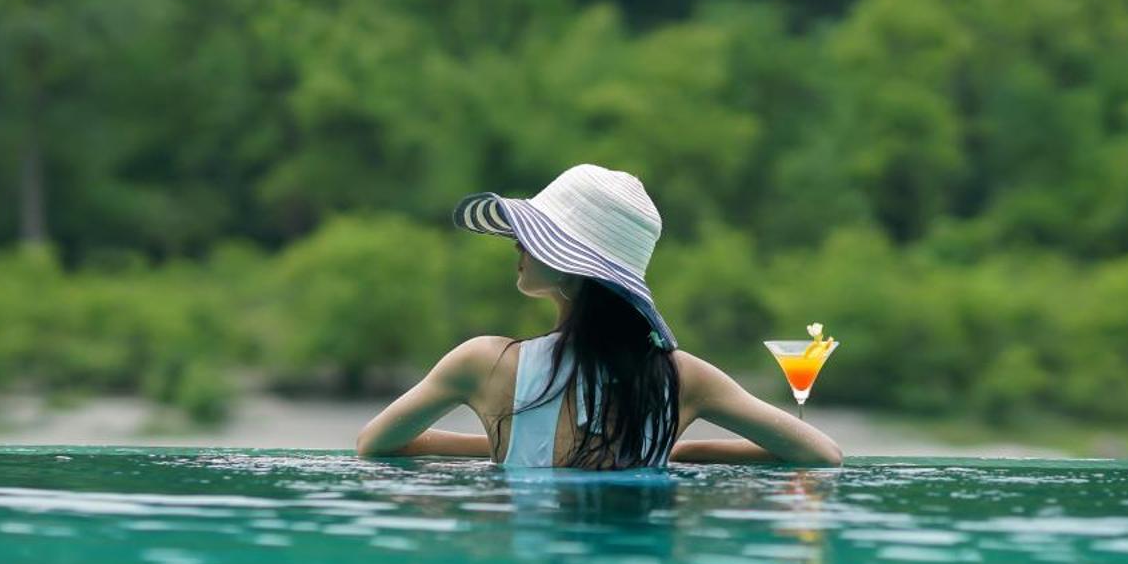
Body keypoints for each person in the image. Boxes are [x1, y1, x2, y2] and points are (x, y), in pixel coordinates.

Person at [356, 164, 843, 469]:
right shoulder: (680, 377)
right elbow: (822, 455)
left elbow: (376, 445)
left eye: (535, 235)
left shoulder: (483, 363)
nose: (519, 246)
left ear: (573, 264)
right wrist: (686, 449)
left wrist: (496, 439)